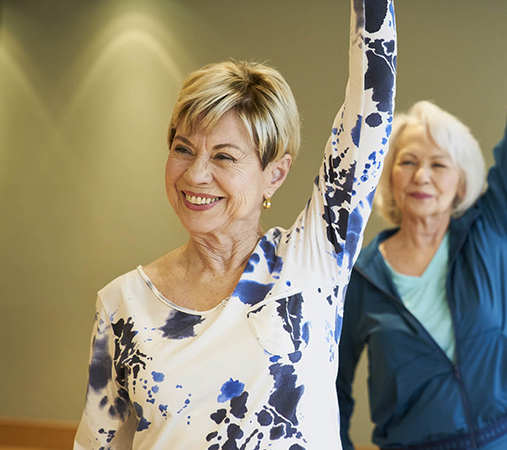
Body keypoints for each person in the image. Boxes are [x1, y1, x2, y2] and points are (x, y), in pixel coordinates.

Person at [73, 1, 396, 448]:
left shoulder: (312, 261)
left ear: (274, 174)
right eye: (183, 148)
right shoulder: (122, 305)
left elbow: (371, 109)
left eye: (224, 156)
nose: (195, 174)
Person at [335, 1, 507, 449]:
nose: (422, 176)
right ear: (391, 176)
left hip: (506, 440)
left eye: (439, 165)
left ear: (461, 182)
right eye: (409, 162)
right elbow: (331, 385)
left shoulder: (489, 232)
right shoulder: (359, 275)